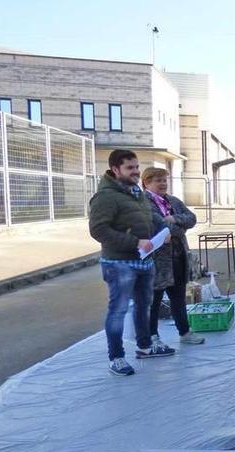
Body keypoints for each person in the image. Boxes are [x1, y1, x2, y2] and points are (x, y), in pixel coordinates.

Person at [89, 150, 175, 377]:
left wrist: (161, 233)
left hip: (144, 261)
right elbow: (98, 230)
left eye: (137, 167)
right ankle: (116, 358)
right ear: (115, 170)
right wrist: (135, 241)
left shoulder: (137, 192)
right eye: (130, 168)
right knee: (117, 311)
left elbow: (145, 220)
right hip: (119, 264)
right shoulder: (105, 196)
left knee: (142, 306)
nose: (136, 172)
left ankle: (145, 347)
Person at [141, 167, 205, 347]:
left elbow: (191, 218)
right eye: (158, 180)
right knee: (154, 301)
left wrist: (175, 219)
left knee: (178, 297)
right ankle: (152, 337)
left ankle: (184, 332)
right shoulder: (143, 203)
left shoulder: (173, 201)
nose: (163, 184)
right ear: (146, 182)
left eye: (164, 180)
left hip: (178, 258)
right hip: (157, 262)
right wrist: (177, 227)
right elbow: (160, 226)